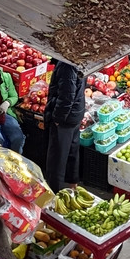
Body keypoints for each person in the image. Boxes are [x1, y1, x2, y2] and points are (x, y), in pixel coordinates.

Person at [44, 60, 85, 192]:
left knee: (57, 157)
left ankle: (53, 191)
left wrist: (58, 118)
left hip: (65, 118)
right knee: (72, 151)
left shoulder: (67, 65)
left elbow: (67, 95)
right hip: (76, 113)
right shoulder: (80, 60)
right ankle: (73, 185)